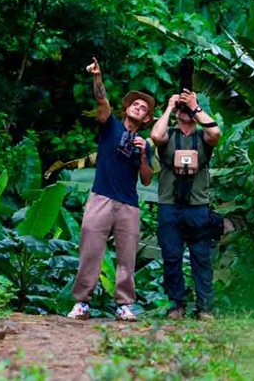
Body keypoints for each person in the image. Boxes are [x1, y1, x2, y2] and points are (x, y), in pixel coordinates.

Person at [66, 57, 155, 322]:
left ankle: (124, 306)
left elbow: (147, 180)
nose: (138, 107)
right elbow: (101, 101)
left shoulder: (144, 143)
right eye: (135, 104)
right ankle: (82, 303)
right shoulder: (110, 126)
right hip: (101, 197)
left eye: (143, 108)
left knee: (127, 256)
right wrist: (97, 77)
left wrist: (143, 154)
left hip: (128, 204)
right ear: (127, 108)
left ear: (147, 118)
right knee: (91, 250)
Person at [150, 89, 221, 320]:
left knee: (201, 257)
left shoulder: (203, 136)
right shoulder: (169, 134)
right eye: (183, 106)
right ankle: (176, 306)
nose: (185, 110)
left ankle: (205, 308)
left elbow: (215, 132)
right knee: (171, 257)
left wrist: (195, 106)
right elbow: (156, 136)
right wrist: (170, 107)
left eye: (187, 106)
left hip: (198, 206)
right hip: (169, 204)